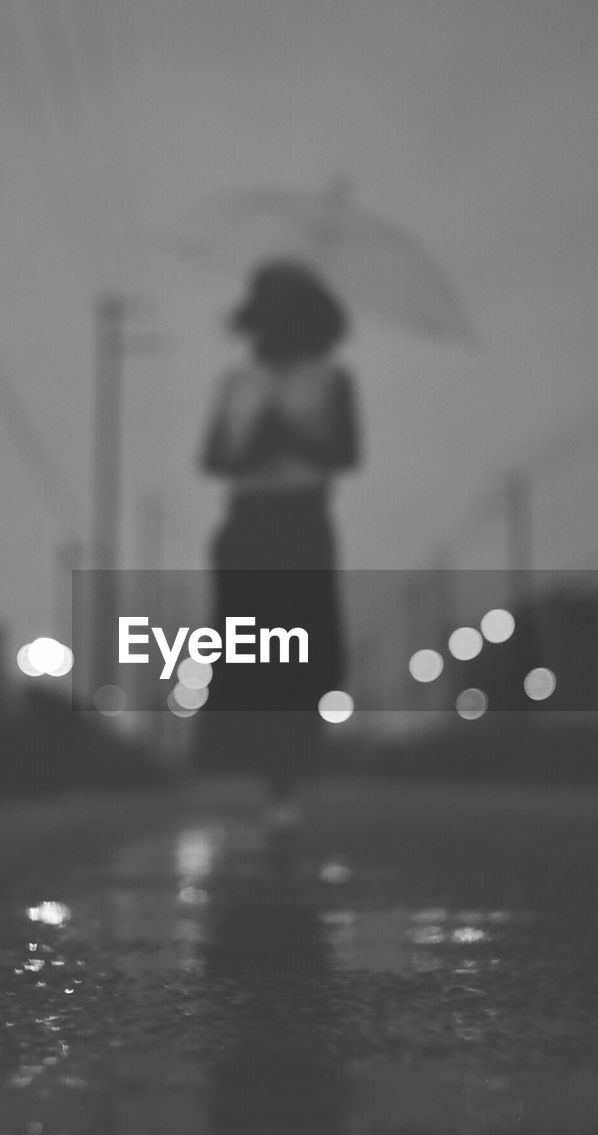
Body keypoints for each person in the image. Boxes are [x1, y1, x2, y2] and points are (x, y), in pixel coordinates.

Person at [196, 259, 361, 829]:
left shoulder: (330, 378)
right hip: (248, 522)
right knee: (256, 651)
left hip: (303, 520)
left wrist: (288, 434)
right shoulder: (235, 381)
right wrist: (253, 445)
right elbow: (213, 458)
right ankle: (271, 769)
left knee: (305, 653)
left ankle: (291, 767)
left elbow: (347, 453)